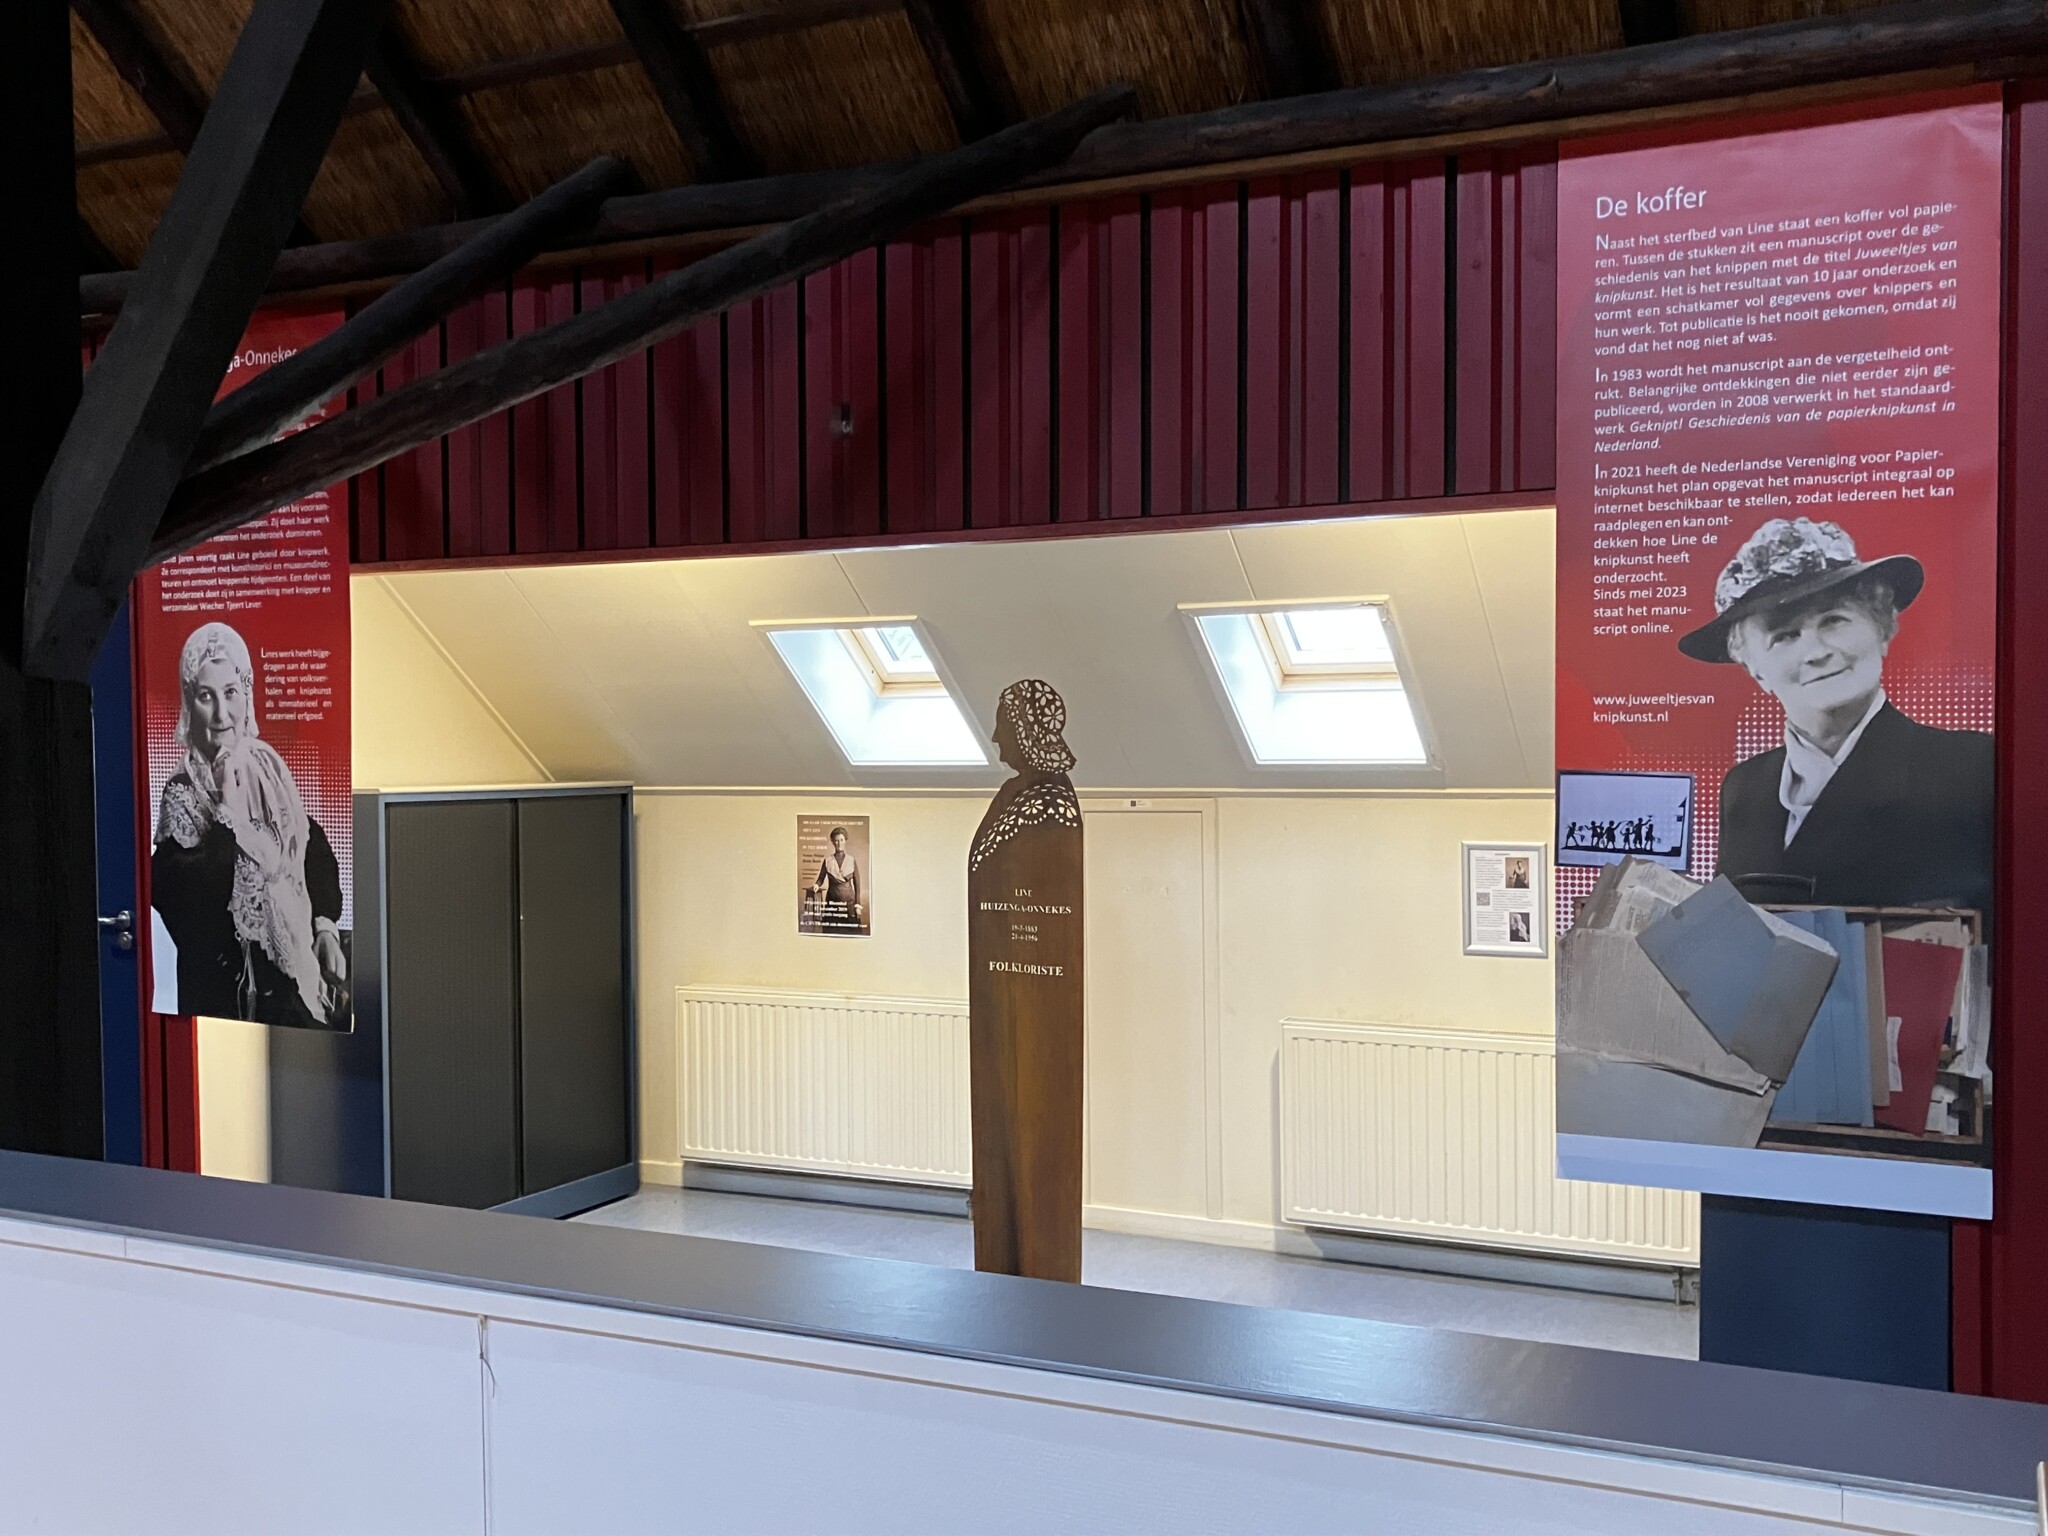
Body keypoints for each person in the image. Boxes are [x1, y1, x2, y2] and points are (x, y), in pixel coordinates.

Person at [1679, 517, 1992, 915]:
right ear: (1755, 669)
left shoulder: (1969, 766)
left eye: (1833, 620)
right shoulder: (1745, 787)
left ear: (1881, 628)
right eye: (1784, 635)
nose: (1816, 652)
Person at [151, 622, 347, 1027]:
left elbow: (309, 847)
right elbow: (195, 908)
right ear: (190, 701)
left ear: (247, 694)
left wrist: (325, 926)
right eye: (206, 696)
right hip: (225, 1001)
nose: (222, 715)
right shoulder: (181, 794)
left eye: (231, 693)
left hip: (292, 988)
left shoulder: (265, 766)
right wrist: (230, 808)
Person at [809, 825, 866, 932]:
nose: (839, 843)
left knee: (850, 932)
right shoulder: (828, 861)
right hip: (832, 903)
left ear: (845, 841)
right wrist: (816, 885)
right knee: (832, 930)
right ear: (832, 842)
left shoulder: (851, 860)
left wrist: (858, 905)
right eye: (836, 840)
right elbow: (821, 878)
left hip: (849, 903)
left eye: (841, 840)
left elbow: (857, 884)